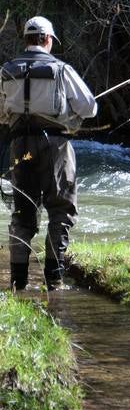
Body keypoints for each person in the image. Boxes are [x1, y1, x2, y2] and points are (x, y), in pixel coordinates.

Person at [0, 15, 97, 290]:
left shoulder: (6, 70)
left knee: (22, 212)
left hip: (20, 148)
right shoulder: (61, 69)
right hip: (56, 148)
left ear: (27, 40)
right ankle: (53, 279)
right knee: (60, 209)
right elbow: (89, 107)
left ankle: (18, 282)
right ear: (46, 39)